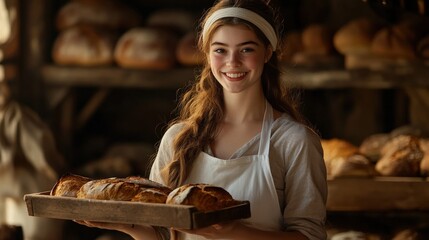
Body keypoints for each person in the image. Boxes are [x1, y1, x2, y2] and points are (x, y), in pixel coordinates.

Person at [77, 0, 327, 239]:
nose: (232, 62)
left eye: (247, 49)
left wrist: (234, 233)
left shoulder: (293, 142)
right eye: (220, 50)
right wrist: (128, 225)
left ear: (267, 53)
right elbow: (161, 234)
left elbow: (310, 235)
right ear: (207, 55)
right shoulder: (178, 138)